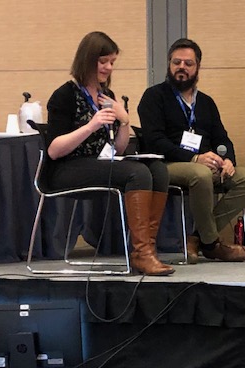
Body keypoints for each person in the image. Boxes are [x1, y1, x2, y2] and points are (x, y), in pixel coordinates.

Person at [45, 32, 174, 276]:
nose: (108, 67)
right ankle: (141, 253)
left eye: (112, 62)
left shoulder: (108, 97)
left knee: (158, 170)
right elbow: (54, 149)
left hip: (100, 163)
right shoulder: (65, 95)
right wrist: (91, 126)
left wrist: (124, 121)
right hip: (67, 168)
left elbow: (119, 148)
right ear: (87, 59)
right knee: (137, 173)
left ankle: (147, 249)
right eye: (103, 61)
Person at [138, 38, 245, 263]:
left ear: (198, 67)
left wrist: (228, 160)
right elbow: (155, 141)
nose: (181, 67)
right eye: (176, 62)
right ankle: (212, 244)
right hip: (167, 164)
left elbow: (222, 138)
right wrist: (194, 158)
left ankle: (197, 238)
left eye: (188, 63)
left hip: (206, 163)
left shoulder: (206, 102)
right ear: (169, 64)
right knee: (201, 174)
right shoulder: (153, 97)